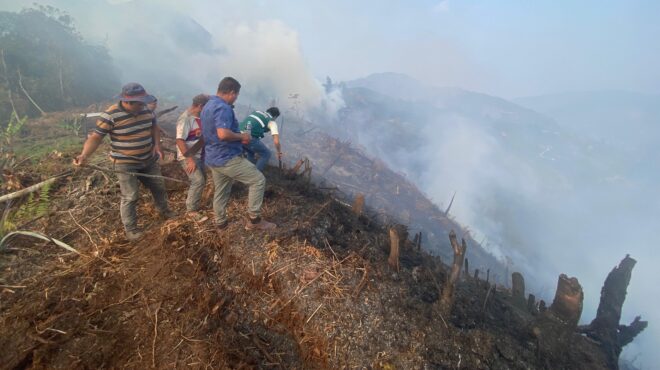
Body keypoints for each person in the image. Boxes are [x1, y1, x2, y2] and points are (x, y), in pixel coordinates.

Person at [73, 82, 175, 241]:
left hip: (148, 159)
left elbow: (154, 127)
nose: (143, 105)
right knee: (131, 196)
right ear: (128, 102)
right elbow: (96, 137)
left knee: (159, 186)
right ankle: (131, 229)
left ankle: (164, 210)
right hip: (124, 162)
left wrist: (157, 145)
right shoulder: (110, 115)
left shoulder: (146, 110)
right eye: (140, 103)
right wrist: (84, 155)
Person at [201, 77, 276, 230]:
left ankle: (220, 222)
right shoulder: (223, 108)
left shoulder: (208, 105)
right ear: (231, 92)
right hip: (227, 157)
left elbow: (214, 133)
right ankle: (254, 221)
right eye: (237, 95)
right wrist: (242, 136)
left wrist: (236, 138)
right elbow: (222, 134)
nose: (236, 98)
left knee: (221, 191)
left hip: (213, 157)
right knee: (258, 180)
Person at [175, 94, 209, 221]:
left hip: (199, 155)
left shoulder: (199, 117)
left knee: (202, 180)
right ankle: (191, 212)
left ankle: (195, 204)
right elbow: (180, 141)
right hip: (188, 156)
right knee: (198, 181)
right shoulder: (185, 119)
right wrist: (189, 160)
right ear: (200, 106)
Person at [239, 107, 283, 171]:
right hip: (248, 137)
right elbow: (276, 141)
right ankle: (255, 176)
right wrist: (279, 152)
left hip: (237, 134)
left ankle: (247, 171)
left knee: (251, 152)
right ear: (275, 116)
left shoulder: (257, 112)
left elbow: (249, 123)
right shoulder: (272, 122)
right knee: (266, 154)